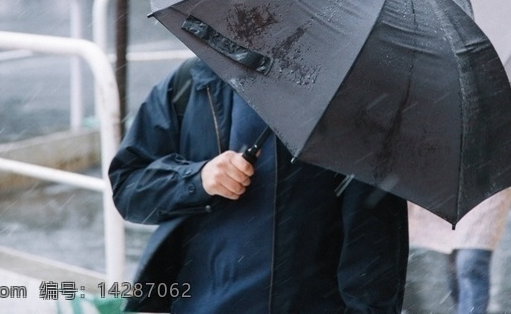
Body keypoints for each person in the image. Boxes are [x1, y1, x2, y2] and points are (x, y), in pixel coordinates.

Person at [109, 57, 409, 313]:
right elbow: (129, 188)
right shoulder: (193, 82)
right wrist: (197, 179)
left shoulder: (353, 105)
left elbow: (373, 254)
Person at [407, 91, 511, 314]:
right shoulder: (446, 63)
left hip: (493, 179)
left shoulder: (508, 70)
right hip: (450, 175)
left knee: (470, 263)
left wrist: (497, 111)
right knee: (453, 261)